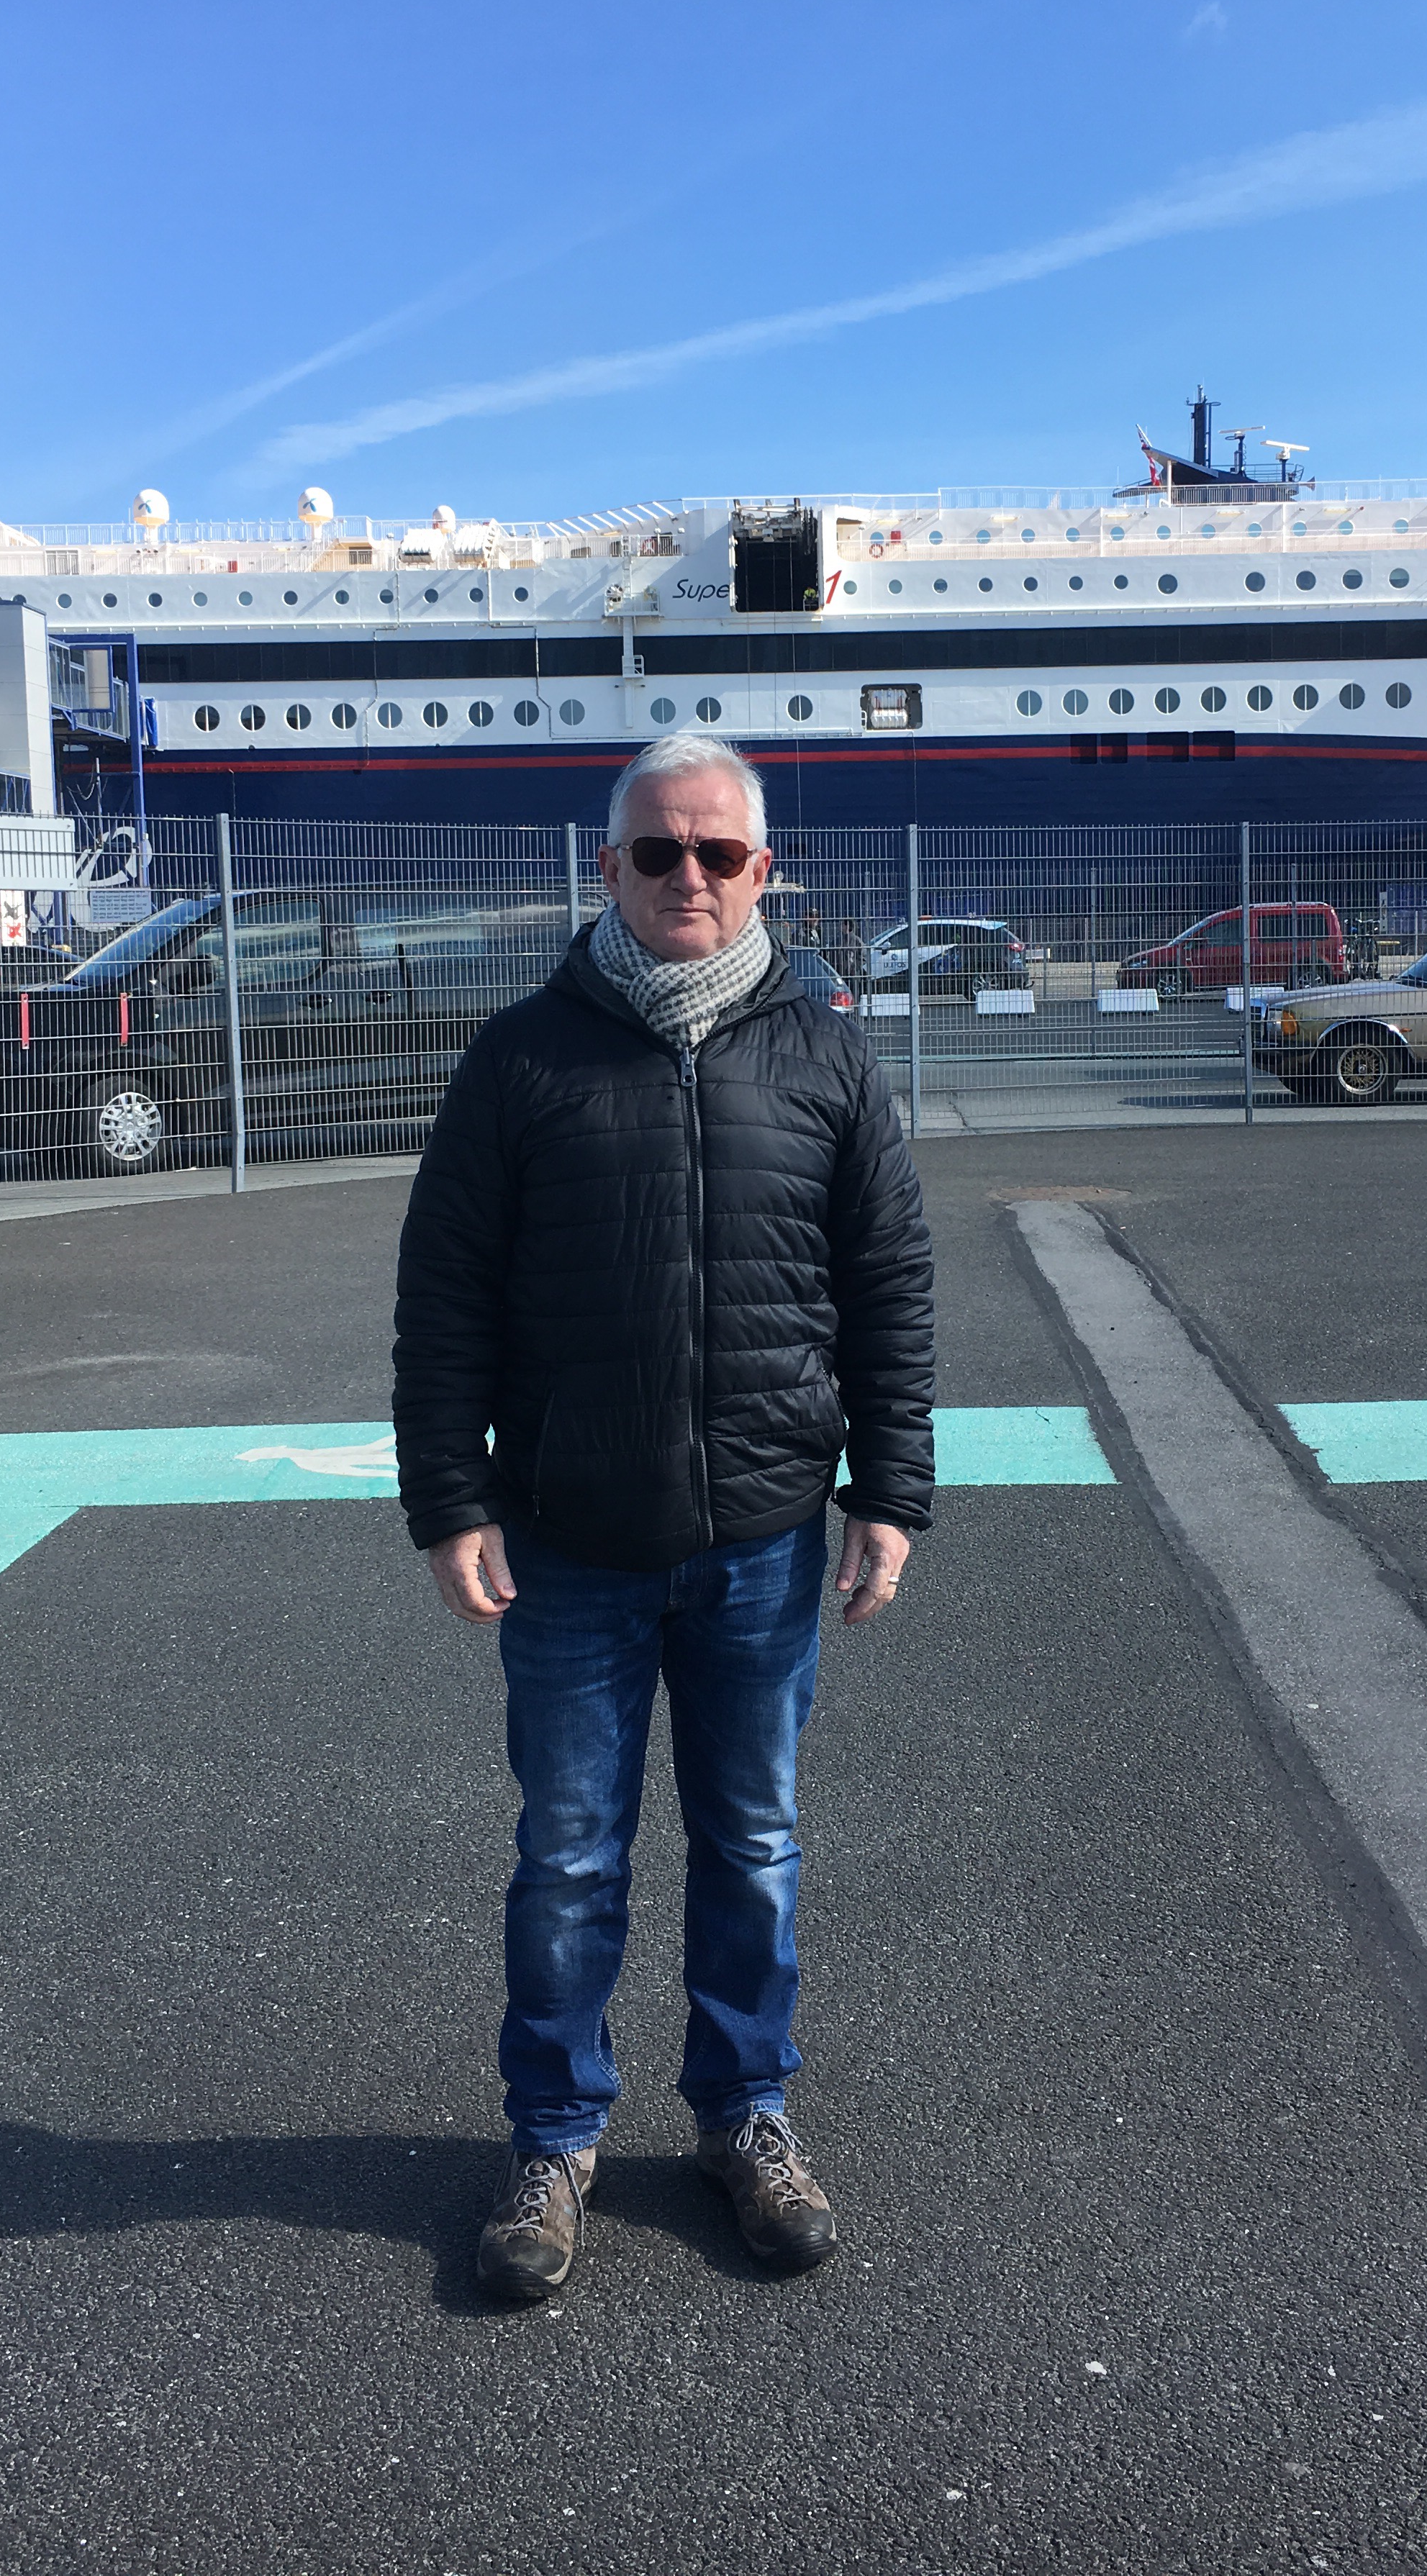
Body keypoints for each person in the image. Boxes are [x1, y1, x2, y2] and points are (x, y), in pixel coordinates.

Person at [392, 730, 934, 2304]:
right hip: (569, 1538)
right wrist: (450, 1497)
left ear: (766, 871)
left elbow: (888, 1286)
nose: (687, 875)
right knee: (568, 1857)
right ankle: (555, 2139)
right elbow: (445, 1299)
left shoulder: (826, 1055)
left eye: (717, 852)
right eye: (657, 850)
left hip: (762, 1537)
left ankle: (744, 2115)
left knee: (753, 1844)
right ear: (608, 867)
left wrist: (889, 1490)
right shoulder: (521, 1058)